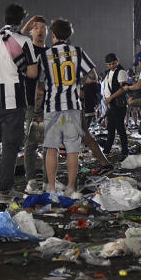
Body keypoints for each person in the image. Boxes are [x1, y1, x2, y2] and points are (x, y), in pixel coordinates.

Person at [0, 4, 38, 203]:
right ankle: (5, 191)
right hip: (15, 100)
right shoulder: (25, 41)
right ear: (21, 20)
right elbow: (33, 73)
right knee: (10, 147)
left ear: (4, 17)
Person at [35, 19, 95, 197]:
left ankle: (52, 188)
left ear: (53, 35)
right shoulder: (78, 52)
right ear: (69, 36)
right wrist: (78, 82)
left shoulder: (45, 55)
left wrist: (37, 109)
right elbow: (92, 75)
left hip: (52, 107)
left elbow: (39, 86)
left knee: (51, 148)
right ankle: (70, 187)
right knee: (72, 148)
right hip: (72, 107)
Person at [22, 17, 49, 192]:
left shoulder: (50, 52)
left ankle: (48, 179)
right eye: (36, 27)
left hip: (49, 103)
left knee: (49, 143)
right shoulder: (27, 49)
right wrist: (29, 22)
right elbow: (16, 36)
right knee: (31, 142)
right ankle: (31, 179)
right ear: (30, 31)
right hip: (31, 103)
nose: (39, 30)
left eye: (43, 28)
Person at [101, 53, 129, 160]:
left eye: (114, 63)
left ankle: (124, 152)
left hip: (118, 105)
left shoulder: (121, 72)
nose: (112, 66)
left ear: (118, 61)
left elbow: (123, 88)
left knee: (120, 129)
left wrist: (110, 98)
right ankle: (107, 151)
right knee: (111, 129)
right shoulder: (109, 73)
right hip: (111, 105)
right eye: (109, 64)